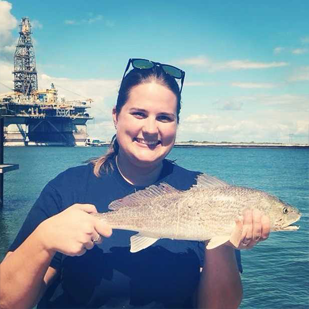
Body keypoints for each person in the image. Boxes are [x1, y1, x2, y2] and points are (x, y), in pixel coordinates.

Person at [0, 58, 270, 309]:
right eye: (139, 113)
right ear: (116, 116)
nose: (151, 129)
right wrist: (44, 239)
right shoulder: (66, 189)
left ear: (177, 124)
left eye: (164, 117)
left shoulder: (203, 193)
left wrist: (222, 239)